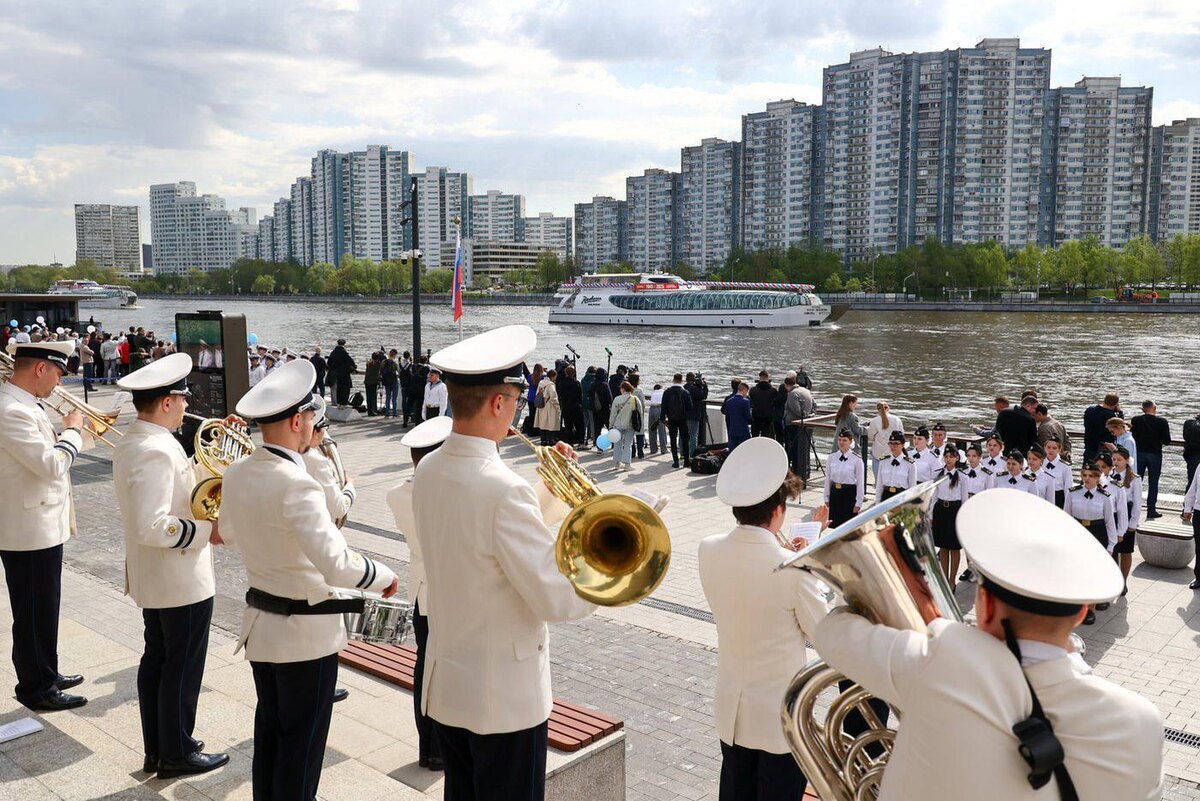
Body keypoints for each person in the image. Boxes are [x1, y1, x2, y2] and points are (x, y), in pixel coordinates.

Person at [812, 489, 1164, 800]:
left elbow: (831, 632)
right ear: (1081, 613)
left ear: (985, 604)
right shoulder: (1142, 722)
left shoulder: (944, 656)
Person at [413, 324, 596, 801]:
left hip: (451, 686)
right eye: (516, 398)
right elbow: (557, 597)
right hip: (504, 700)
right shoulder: (502, 488)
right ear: (498, 403)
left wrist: (549, 491)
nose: (519, 408)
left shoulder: (430, 469)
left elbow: (478, 539)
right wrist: (601, 559)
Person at [220, 359, 398, 800]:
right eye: (309, 420)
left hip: (262, 627)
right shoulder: (297, 483)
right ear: (298, 421)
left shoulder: (239, 470)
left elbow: (225, 534)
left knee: (272, 736)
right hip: (305, 634)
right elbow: (337, 565)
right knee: (302, 749)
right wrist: (385, 575)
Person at [112, 353, 231, 778]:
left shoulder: (145, 440)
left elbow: (182, 486)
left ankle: (161, 747)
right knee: (179, 670)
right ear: (166, 402)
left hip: (163, 580)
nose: (187, 406)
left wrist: (215, 455)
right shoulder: (154, 450)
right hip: (179, 579)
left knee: (160, 664)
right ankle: (176, 751)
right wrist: (206, 532)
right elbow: (153, 525)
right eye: (182, 398)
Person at [699, 438, 827, 801]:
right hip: (777, 723)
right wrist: (811, 564)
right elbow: (824, 633)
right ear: (779, 510)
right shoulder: (793, 570)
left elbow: (750, 575)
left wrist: (792, 557)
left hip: (731, 713)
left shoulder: (708, 549)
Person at [0, 340, 89, 712]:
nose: (58, 384)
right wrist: (72, 432)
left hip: (38, 524)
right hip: (27, 530)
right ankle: (37, 688)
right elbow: (51, 465)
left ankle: (45, 672)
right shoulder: (11, 410)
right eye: (57, 373)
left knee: (43, 607)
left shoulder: (23, 404)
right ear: (40, 368)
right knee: (35, 610)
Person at [387, 416, 453, 771]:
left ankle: (429, 748)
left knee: (425, 668)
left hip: (422, 595)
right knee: (441, 672)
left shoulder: (398, 493)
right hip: (446, 596)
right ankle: (439, 748)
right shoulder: (445, 495)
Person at [931, 445, 968, 588]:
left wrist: (963, 518)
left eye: (951, 456)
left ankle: (952, 579)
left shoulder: (963, 476)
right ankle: (945, 578)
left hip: (955, 511)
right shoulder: (938, 474)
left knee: (954, 548)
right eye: (946, 457)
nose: (948, 459)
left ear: (957, 458)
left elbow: (964, 499)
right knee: (943, 547)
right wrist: (931, 514)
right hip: (941, 510)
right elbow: (934, 496)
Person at [1129, 400, 1168, 520]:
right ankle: (1151, 510)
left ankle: (1133, 507)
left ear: (1143, 409)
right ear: (1154, 407)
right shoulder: (1162, 422)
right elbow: (1167, 440)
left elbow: (1132, 434)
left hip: (1139, 454)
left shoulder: (1136, 420)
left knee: (1135, 482)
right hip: (1155, 454)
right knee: (1153, 483)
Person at [1110, 447, 1141, 594]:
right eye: (1114, 459)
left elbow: (1137, 503)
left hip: (1127, 514)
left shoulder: (1134, 479)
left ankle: (1123, 580)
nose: (1116, 462)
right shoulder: (1108, 476)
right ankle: (1113, 580)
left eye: (1119, 459)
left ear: (1127, 461)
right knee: (1113, 549)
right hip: (1112, 514)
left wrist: (1133, 523)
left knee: (1126, 551)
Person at [824, 430, 864, 527]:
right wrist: (826, 496)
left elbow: (860, 482)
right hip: (835, 493)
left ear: (850, 442)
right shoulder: (832, 457)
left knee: (848, 526)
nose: (841, 443)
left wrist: (858, 502)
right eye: (839, 440)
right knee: (834, 525)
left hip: (849, 494)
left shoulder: (857, 460)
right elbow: (828, 478)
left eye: (844, 440)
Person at [864, 401, 903, 480]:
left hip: (878, 453)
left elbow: (870, 436)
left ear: (878, 410)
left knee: (878, 478)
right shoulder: (897, 420)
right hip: (892, 451)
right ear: (888, 408)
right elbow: (901, 434)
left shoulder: (875, 421)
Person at [661, 373, 693, 469]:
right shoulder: (685, 392)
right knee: (685, 439)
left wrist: (663, 418)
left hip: (671, 419)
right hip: (683, 419)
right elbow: (690, 407)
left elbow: (663, 407)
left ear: (673, 380)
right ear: (681, 380)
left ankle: (676, 462)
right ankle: (686, 460)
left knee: (673, 440)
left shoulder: (667, 392)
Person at [875, 430, 915, 504]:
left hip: (901, 497)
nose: (893, 446)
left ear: (903, 445)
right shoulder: (883, 461)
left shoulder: (909, 464)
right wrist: (877, 502)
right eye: (891, 443)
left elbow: (912, 487)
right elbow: (879, 485)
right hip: (886, 496)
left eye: (896, 443)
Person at [609, 380, 640, 471]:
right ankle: (627, 464)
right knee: (628, 444)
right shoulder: (634, 399)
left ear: (622, 389)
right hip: (630, 425)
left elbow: (613, 413)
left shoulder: (617, 399)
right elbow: (639, 413)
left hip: (617, 425)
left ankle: (617, 464)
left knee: (617, 444)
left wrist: (611, 425)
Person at [1082, 393, 1122, 461]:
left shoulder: (1089, 410)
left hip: (1089, 447)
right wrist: (1120, 412)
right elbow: (1120, 424)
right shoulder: (1111, 416)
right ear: (1116, 404)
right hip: (1105, 449)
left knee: (1087, 470)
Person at [1182, 467, 1200, 589]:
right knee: (1199, 545)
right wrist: (1188, 508)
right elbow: (1193, 487)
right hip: (1199, 510)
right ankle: (1199, 576)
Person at [557, 365, 584, 447]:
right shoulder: (576, 383)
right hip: (576, 406)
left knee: (568, 426)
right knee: (579, 425)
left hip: (565, 407)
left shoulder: (562, 383)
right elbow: (580, 395)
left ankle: (569, 442)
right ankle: (581, 442)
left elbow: (560, 394)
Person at [535, 368, 562, 447]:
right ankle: (550, 440)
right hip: (549, 406)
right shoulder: (551, 385)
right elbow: (553, 397)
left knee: (543, 424)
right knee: (551, 424)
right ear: (553, 376)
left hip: (541, 405)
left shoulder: (541, 383)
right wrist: (557, 407)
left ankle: (543, 440)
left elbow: (537, 393)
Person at [1043, 435, 1071, 509]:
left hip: (1058, 497)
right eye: (1048, 447)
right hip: (1043, 496)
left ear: (1059, 450)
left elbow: (1068, 488)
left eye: (1054, 448)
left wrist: (1067, 507)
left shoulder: (1065, 467)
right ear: (1044, 448)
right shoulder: (1040, 464)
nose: (1051, 450)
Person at [723, 381, 752, 451]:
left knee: (733, 452)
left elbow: (727, 418)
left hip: (732, 431)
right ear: (744, 390)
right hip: (743, 431)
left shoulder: (729, 401)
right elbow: (748, 417)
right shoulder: (746, 401)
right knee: (743, 451)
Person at [327, 338, 356, 406]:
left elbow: (329, 363)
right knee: (345, 389)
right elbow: (351, 363)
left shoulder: (333, 353)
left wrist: (333, 368)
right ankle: (343, 404)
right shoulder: (344, 353)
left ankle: (338, 403)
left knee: (338, 389)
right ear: (344, 344)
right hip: (344, 374)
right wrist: (353, 368)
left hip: (335, 374)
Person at [685, 372, 709, 452]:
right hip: (693, 415)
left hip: (684, 415)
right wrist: (705, 386)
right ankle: (692, 453)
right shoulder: (694, 389)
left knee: (683, 435)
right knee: (693, 435)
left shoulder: (684, 387)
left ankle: (682, 452)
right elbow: (703, 396)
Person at [748, 370, 775, 439]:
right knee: (766, 439)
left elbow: (750, 403)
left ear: (760, 377)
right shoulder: (773, 391)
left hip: (756, 419)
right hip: (768, 420)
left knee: (754, 438)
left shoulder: (753, 390)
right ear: (768, 378)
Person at [588, 367, 613, 438]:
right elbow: (610, 398)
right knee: (609, 426)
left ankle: (597, 443)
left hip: (595, 410)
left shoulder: (592, 384)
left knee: (597, 428)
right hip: (605, 409)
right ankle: (613, 442)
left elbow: (589, 395)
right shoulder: (605, 385)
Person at [647, 383, 668, 456]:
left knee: (652, 429)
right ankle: (663, 449)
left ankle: (653, 449)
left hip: (652, 408)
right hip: (659, 408)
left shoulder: (653, 392)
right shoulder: (663, 392)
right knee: (661, 429)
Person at [580, 366, 597, 445]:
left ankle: (582, 437)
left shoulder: (583, 380)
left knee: (584, 422)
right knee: (593, 422)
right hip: (591, 403)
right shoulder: (594, 380)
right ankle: (594, 439)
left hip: (584, 402)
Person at [381, 349, 400, 418]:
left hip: (386, 381)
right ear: (395, 355)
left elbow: (381, 370)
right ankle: (394, 413)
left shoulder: (384, 361)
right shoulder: (395, 362)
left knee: (387, 397)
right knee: (394, 398)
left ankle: (387, 414)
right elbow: (398, 372)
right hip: (394, 381)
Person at [363, 350, 382, 416]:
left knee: (368, 396)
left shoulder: (369, 362)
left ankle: (370, 410)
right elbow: (381, 363)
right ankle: (373, 410)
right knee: (373, 396)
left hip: (367, 381)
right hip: (373, 382)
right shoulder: (377, 364)